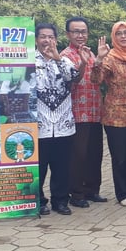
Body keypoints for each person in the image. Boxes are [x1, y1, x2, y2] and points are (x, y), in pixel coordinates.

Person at [91, 21, 126, 206]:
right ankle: (122, 193)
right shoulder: (110, 58)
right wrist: (98, 59)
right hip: (115, 115)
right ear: (114, 37)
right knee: (120, 157)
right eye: (119, 33)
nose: (123, 36)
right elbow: (96, 79)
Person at [61, 16, 108, 207]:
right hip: (76, 113)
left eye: (83, 32)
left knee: (94, 154)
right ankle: (76, 193)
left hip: (95, 111)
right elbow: (72, 80)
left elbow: (99, 80)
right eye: (76, 32)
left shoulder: (90, 53)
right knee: (78, 155)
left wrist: (99, 59)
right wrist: (83, 62)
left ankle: (92, 190)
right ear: (68, 34)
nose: (80, 35)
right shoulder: (65, 56)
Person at [35, 22, 80, 215]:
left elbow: (74, 77)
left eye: (51, 37)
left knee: (62, 167)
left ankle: (60, 201)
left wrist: (57, 59)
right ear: (36, 40)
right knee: (39, 167)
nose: (47, 40)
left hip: (63, 124)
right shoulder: (29, 62)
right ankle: (39, 201)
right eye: (43, 36)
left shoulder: (64, 60)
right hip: (39, 125)